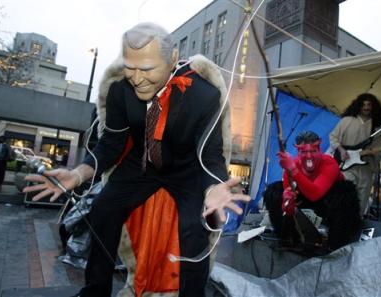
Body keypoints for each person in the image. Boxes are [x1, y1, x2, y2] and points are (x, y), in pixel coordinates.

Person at [23, 22, 250, 297]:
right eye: (130, 67)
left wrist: (213, 187)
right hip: (141, 164)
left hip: (186, 169)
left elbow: (209, 154)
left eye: (147, 69)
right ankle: (95, 290)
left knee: (194, 226)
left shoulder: (205, 95)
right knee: (103, 208)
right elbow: (112, 143)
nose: (136, 78)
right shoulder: (120, 89)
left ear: (173, 57)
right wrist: (80, 173)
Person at [264, 131, 361, 250]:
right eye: (304, 152)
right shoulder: (291, 166)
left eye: (313, 151)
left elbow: (315, 194)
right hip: (304, 197)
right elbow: (289, 203)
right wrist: (287, 203)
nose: (309, 156)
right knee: (273, 191)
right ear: (298, 152)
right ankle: (288, 238)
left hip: (330, 200)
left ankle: (336, 244)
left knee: (346, 191)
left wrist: (294, 170)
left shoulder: (329, 163)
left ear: (319, 150)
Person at [329, 93, 381, 217]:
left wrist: (373, 153)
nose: (366, 107)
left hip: (366, 168)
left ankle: (356, 225)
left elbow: (379, 150)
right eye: (364, 105)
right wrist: (341, 150)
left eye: (369, 105)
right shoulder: (346, 121)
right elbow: (333, 137)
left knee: (361, 201)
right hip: (346, 167)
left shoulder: (377, 127)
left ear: (374, 107)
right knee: (345, 198)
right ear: (358, 106)